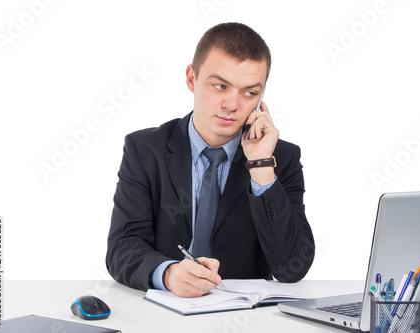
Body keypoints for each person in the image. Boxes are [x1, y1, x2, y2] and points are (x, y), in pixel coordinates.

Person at [106, 22, 315, 297]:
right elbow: (123, 246)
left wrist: (261, 168)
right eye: (220, 86)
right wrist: (168, 273)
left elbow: (291, 269)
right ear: (192, 79)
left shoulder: (279, 158)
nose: (232, 105)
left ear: (261, 98)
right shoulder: (145, 149)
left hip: (246, 317)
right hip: (165, 311)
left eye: (250, 92)